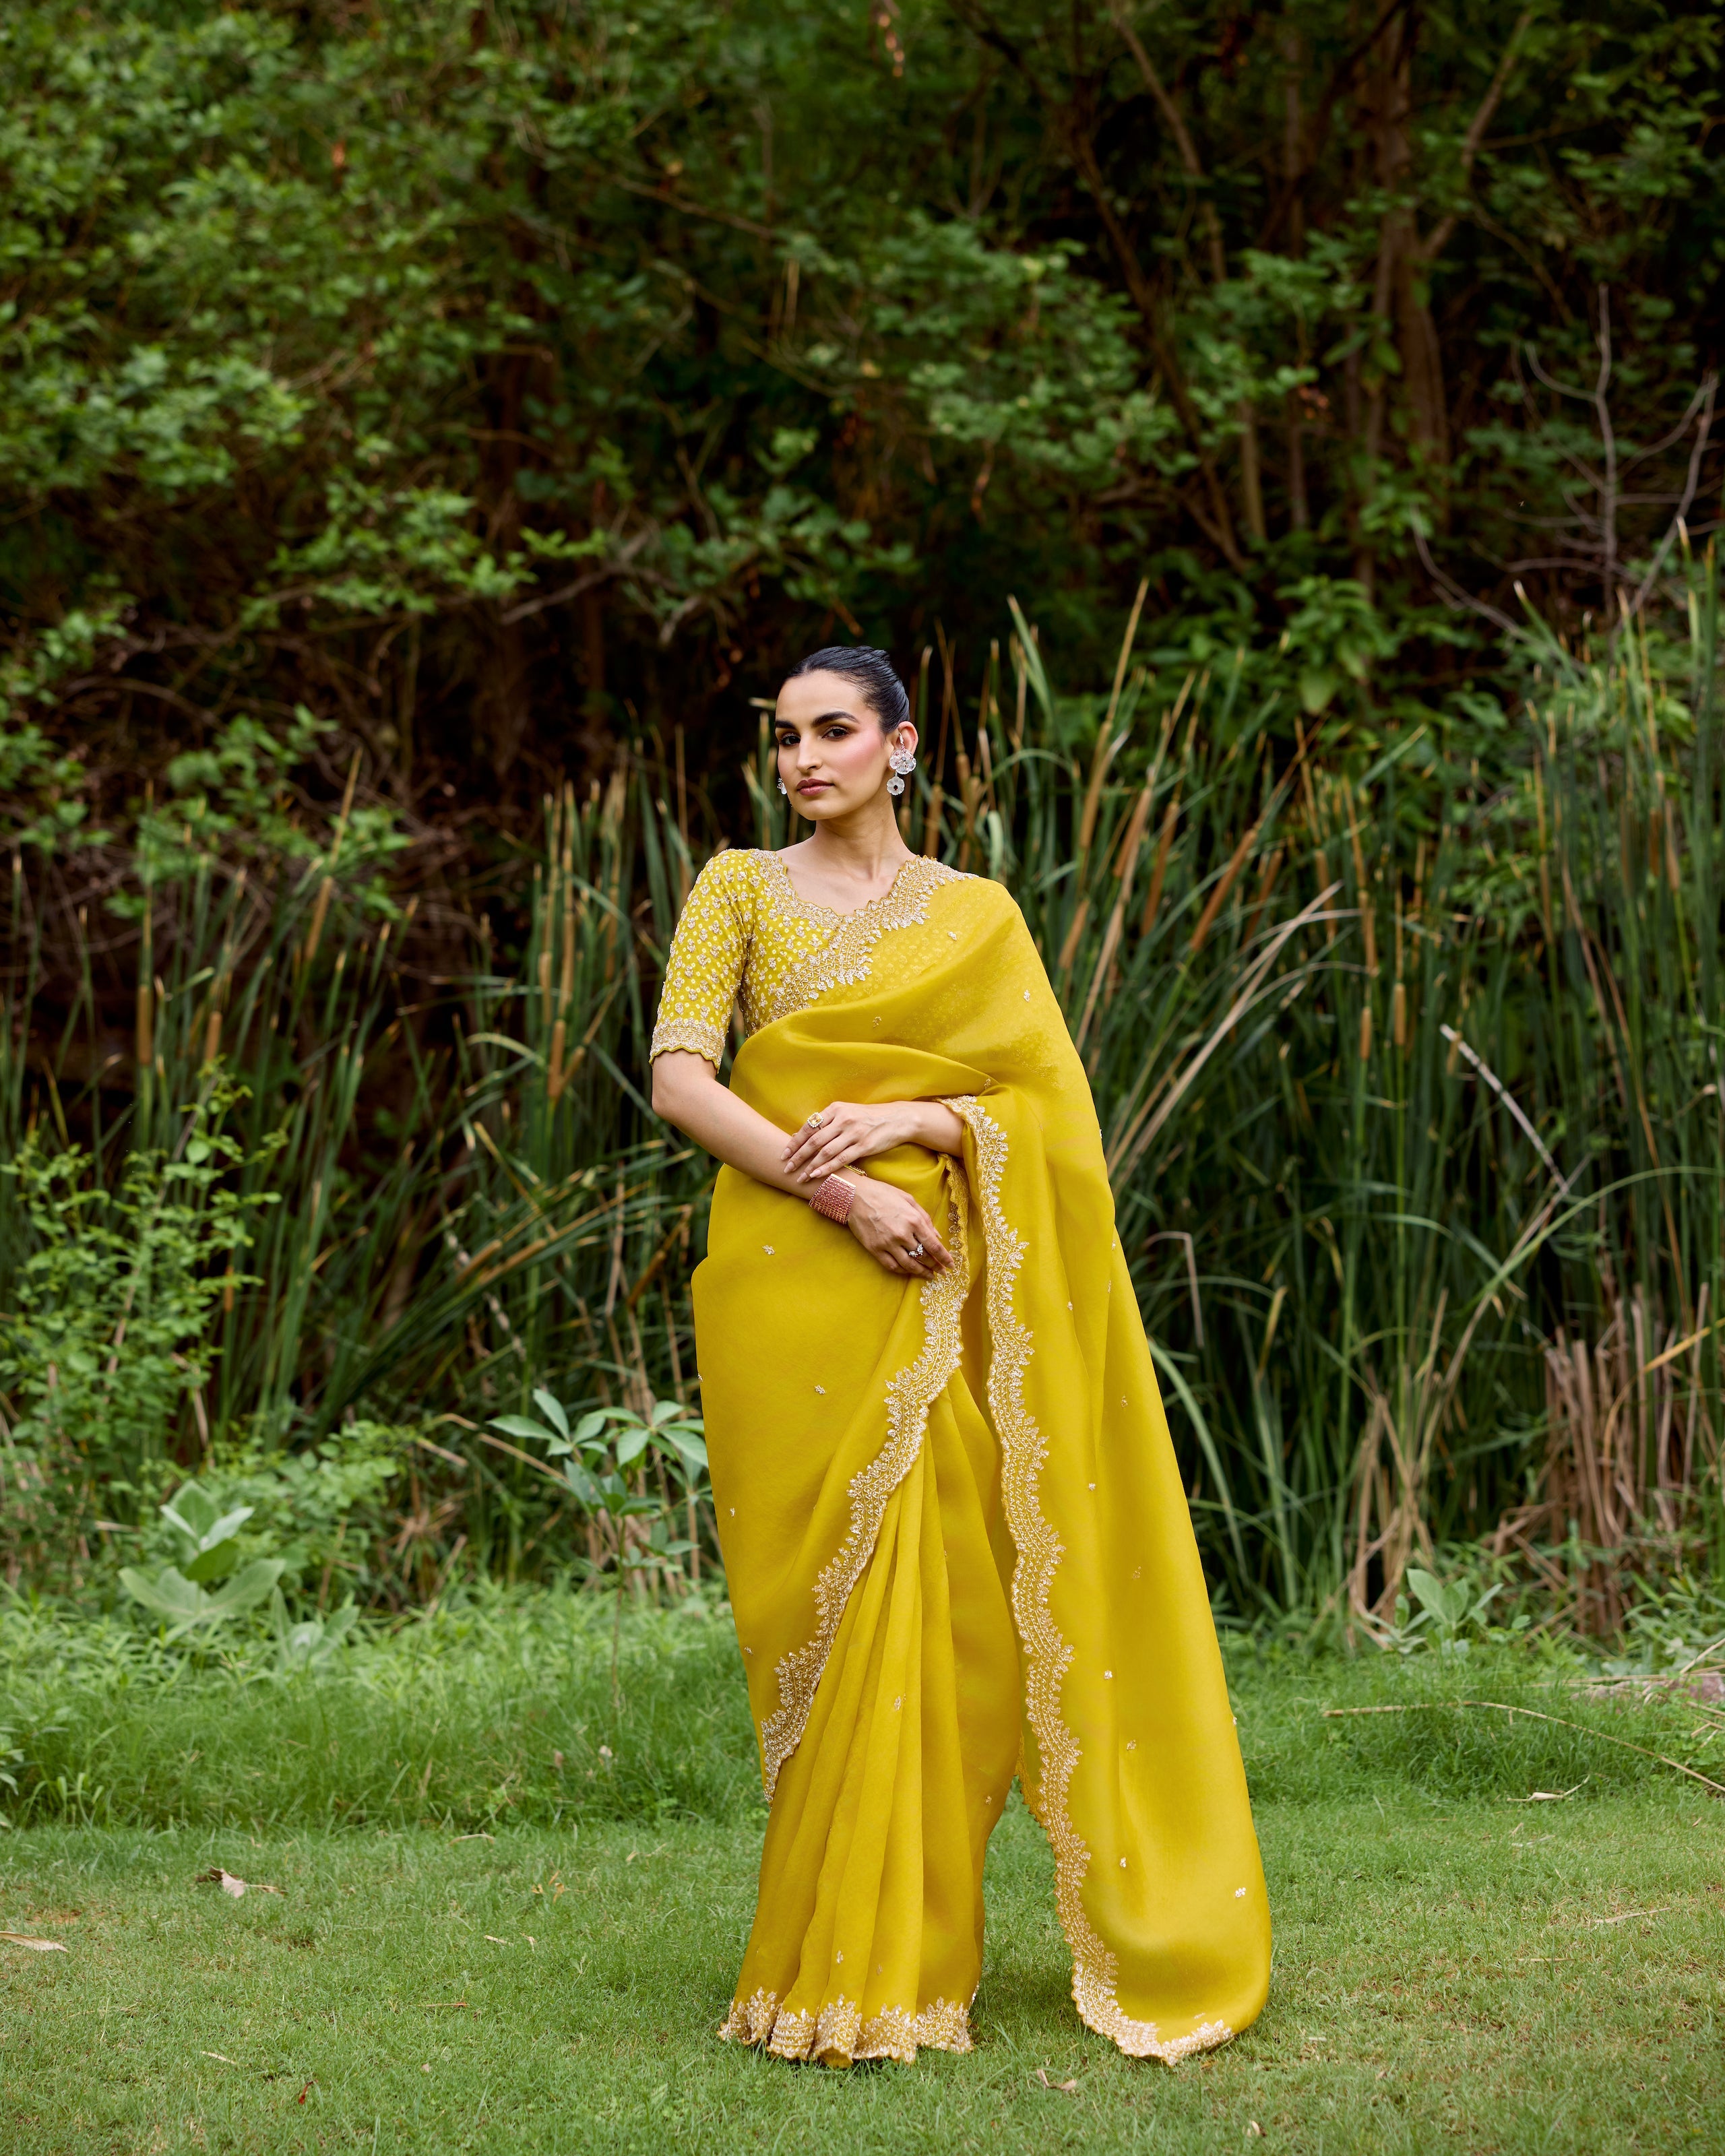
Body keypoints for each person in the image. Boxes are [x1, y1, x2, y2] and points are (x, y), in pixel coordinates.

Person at [650, 645, 1269, 2067]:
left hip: (935, 1291)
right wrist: (837, 1187)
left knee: (947, 1611)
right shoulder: (734, 886)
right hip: (790, 1281)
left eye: (834, 731)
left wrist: (924, 1127)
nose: (803, 759)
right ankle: (822, 1959)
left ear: (901, 745)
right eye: (786, 736)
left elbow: (1045, 1121)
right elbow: (681, 1070)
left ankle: (905, 1971)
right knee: (831, 1606)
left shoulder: (975, 917)